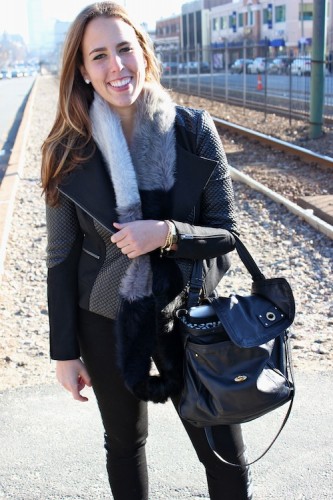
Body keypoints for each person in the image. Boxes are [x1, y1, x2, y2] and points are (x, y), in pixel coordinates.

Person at [41, 2, 252, 499]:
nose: (117, 66)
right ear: (83, 70)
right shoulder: (67, 149)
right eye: (99, 56)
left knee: (222, 451)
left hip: (191, 313)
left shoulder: (193, 130)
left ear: (143, 53)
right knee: (124, 442)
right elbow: (61, 256)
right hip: (105, 319)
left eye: (124, 49)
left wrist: (168, 233)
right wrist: (65, 352)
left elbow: (227, 232)